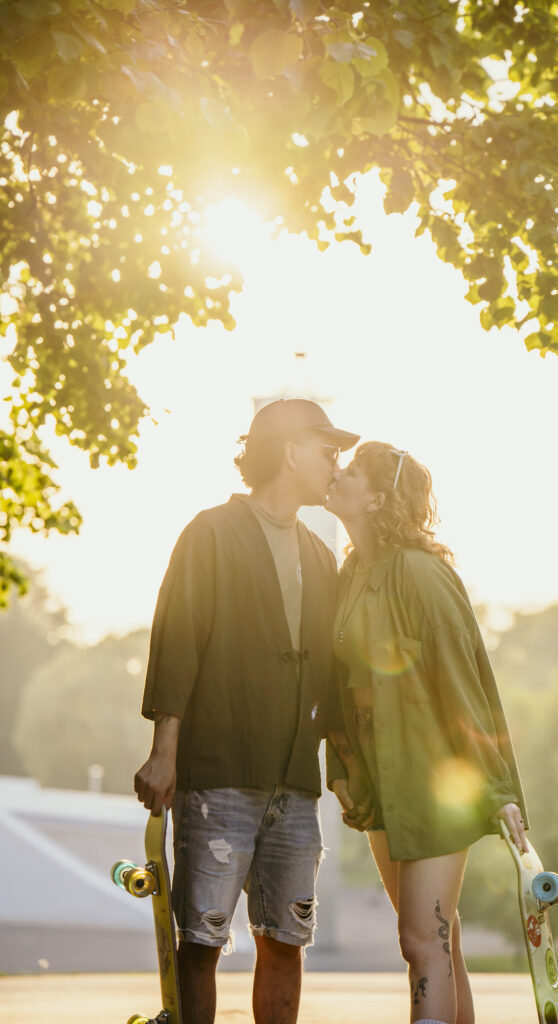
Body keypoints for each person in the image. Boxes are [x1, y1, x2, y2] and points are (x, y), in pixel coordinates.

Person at [133, 399, 359, 1024]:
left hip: (295, 784)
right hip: (218, 777)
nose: (334, 465)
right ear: (290, 450)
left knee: (287, 943)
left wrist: (341, 772)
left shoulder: (319, 554)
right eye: (326, 450)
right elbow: (178, 642)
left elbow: (331, 677)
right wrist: (163, 754)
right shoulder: (209, 533)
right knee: (201, 943)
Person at [325, 441, 529, 1024]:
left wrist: (496, 789)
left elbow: (464, 682)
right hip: (382, 779)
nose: (337, 473)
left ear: (378, 497)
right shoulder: (348, 574)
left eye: (353, 471)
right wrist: (342, 770)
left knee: (421, 941)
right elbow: (335, 687)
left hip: (436, 778)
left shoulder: (422, 572)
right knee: (439, 940)